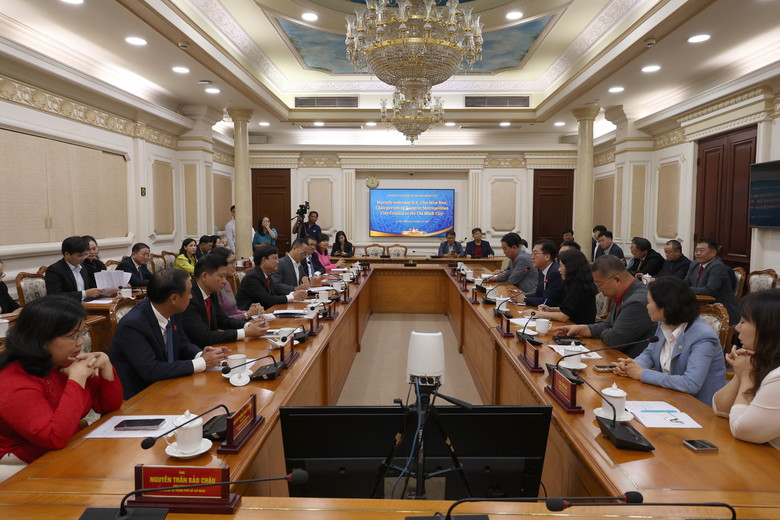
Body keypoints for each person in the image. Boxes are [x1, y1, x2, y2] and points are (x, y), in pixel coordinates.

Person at [0, 296, 122, 480]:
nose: (80, 342)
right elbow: (53, 437)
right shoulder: (14, 382)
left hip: (68, 446)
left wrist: (106, 365)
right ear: (41, 339)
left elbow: (109, 406)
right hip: (25, 462)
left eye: (81, 333)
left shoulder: (61, 362)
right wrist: (77, 380)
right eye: (73, 336)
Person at [109, 269, 229, 399]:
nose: (191, 297)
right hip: (141, 396)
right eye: (189, 292)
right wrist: (202, 362)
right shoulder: (132, 325)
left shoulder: (172, 311)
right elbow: (151, 370)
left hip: (170, 384)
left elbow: (182, 343)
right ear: (174, 298)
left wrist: (201, 354)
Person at [614, 277, 726, 404]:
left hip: (696, 406)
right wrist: (631, 366)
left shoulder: (703, 337)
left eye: (649, 302)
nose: (647, 306)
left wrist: (642, 374)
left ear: (665, 307)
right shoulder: (664, 324)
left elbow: (691, 383)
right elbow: (650, 354)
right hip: (667, 397)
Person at [712, 289, 780, 449]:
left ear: (767, 328)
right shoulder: (764, 361)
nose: (737, 328)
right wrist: (740, 372)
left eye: (743, 322)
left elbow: (743, 430)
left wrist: (747, 376)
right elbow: (721, 409)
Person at [554, 255, 656, 357]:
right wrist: (582, 329)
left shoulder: (637, 301)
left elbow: (615, 340)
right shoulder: (621, 293)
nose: (599, 289)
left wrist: (608, 331)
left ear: (617, 280)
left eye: (599, 284)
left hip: (629, 360)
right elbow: (607, 325)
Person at [180, 254, 268, 348]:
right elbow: (202, 336)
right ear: (204, 276)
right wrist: (244, 333)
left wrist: (248, 325)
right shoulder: (189, 297)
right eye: (221, 276)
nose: (224, 281)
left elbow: (223, 320)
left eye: (225, 277)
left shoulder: (211, 292)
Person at [522, 249, 596, 324]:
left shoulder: (577, 285)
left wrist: (536, 313)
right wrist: (550, 309)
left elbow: (563, 317)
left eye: (560, 266)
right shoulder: (576, 282)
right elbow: (569, 308)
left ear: (570, 267)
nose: (559, 269)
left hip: (577, 327)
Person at [45, 236, 118, 301]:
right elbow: (55, 296)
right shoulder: (55, 270)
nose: (83, 258)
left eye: (85, 255)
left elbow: (91, 290)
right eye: (80, 256)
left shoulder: (82, 267)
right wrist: (84, 294)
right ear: (67, 254)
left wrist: (106, 291)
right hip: (67, 308)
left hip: (87, 305)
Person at [684, 238, 738, 324]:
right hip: (699, 307)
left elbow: (710, 290)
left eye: (701, 250)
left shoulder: (717, 267)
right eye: (696, 250)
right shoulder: (694, 264)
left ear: (713, 252)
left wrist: (685, 289)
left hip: (720, 312)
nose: (698, 253)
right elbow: (685, 283)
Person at [236, 246, 308, 310]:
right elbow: (268, 300)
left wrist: (295, 293)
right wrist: (292, 296)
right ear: (264, 260)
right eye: (275, 258)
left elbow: (275, 294)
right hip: (249, 316)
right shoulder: (252, 277)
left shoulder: (267, 275)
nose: (278, 262)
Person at [208, 247, 264, 321]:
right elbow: (221, 320)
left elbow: (234, 311)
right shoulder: (213, 287)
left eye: (234, 261)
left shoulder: (227, 283)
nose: (234, 266)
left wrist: (251, 312)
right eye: (231, 262)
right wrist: (247, 314)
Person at [513, 239, 564, 307]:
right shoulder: (542, 270)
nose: (532, 257)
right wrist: (522, 296)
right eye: (532, 253)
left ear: (547, 257)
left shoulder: (555, 272)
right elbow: (538, 294)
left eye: (535, 253)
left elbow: (548, 301)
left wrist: (525, 299)